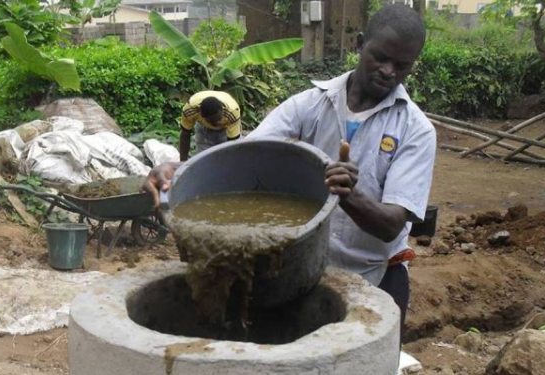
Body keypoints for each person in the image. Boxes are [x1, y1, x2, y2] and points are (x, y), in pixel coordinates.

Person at [144, 4, 435, 340]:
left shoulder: (415, 130)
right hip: (305, 271)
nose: (388, 71)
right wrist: (177, 171)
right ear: (359, 44)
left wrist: (349, 195)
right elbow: (243, 156)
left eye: (402, 66)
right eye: (380, 58)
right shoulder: (312, 104)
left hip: (377, 276)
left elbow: (391, 225)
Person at [179, 91, 241, 161]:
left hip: (226, 129)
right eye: (212, 121)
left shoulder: (232, 112)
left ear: (222, 110)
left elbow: (233, 144)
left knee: (226, 160)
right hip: (204, 130)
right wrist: (183, 162)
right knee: (203, 161)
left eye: (219, 118)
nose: (217, 123)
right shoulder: (190, 109)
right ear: (201, 115)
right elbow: (185, 134)